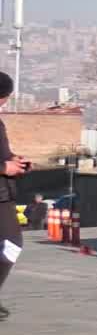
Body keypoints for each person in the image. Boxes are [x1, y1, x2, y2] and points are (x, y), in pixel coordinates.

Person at [0, 73, 25, 322]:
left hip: (4, 195)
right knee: (12, 243)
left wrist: (15, 161)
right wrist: (3, 167)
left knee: (12, 244)